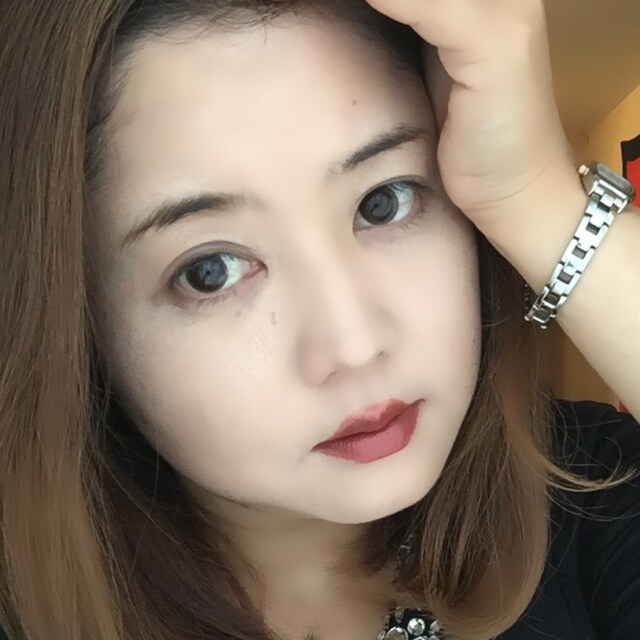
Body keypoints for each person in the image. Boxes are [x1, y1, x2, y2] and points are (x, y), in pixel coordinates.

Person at [0, 0, 638, 639]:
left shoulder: (591, 489)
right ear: (77, 321)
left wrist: (536, 200)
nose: (355, 345)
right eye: (210, 271)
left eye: (383, 202)